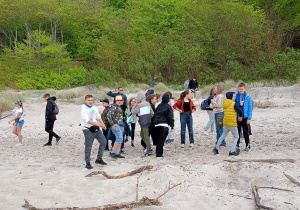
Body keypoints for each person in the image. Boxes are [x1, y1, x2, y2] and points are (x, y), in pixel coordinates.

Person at [81, 94, 107, 169]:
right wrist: (99, 124)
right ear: (85, 100)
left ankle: (99, 158)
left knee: (103, 141)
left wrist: (102, 124)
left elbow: (98, 117)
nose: (90, 102)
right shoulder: (83, 109)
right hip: (88, 129)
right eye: (89, 100)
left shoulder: (94, 108)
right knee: (88, 146)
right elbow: (87, 121)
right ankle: (88, 163)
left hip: (96, 129)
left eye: (91, 100)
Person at [131, 92, 154, 157]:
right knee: (143, 134)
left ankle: (148, 150)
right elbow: (152, 113)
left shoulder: (139, 105)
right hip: (148, 121)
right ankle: (149, 146)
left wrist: (134, 105)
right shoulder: (148, 103)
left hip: (143, 122)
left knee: (145, 135)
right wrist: (148, 117)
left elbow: (133, 112)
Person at [153, 93, 174, 157]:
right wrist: (172, 126)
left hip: (156, 124)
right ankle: (159, 154)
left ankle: (157, 152)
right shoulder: (168, 106)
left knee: (158, 139)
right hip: (164, 124)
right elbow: (170, 117)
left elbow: (155, 114)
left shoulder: (159, 106)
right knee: (161, 140)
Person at [235, 83, 253, 152]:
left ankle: (247, 145)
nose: (241, 90)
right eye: (239, 89)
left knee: (246, 132)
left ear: (244, 89)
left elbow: (250, 108)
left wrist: (249, 118)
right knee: (238, 132)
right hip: (238, 117)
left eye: (242, 89)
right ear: (238, 89)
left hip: (245, 117)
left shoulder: (248, 97)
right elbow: (234, 107)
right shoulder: (236, 96)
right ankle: (237, 145)